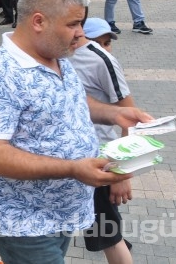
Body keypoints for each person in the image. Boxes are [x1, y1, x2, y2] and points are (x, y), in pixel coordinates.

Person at [0, 0, 152, 264]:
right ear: (38, 21)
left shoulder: (57, 56)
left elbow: (71, 102)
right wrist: (73, 169)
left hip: (61, 213)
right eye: (73, 24)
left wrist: (116, 113)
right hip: (25, 224)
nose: (81, 34)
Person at [70, 18, 135, 264]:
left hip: (100, 160)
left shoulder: (101, 60)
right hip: (69, 161)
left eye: (108, 43)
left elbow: (131, 116)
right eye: (103, 42)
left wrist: (122, 172)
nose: (106, 48)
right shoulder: (54, 55)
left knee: (108, 235)